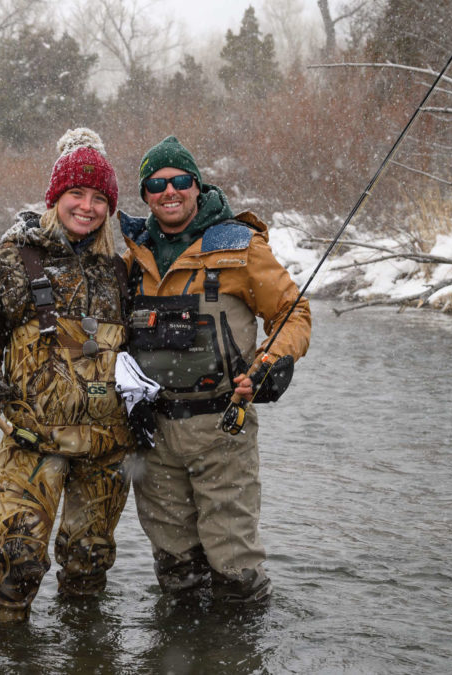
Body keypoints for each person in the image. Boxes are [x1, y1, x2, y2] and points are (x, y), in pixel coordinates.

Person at [0, 128, 134, 626]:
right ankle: (7, 654)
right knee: (19, 561)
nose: (87, 207)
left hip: (107, 448)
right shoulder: (12, 260)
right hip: (31, 442)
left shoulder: (122, 270)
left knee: (89, 565)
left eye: (99, 198)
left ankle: (86, 658)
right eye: (76, 193)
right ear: (55, 198)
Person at [119, 135, 312, 605]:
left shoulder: (241, 247)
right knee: (175, 570)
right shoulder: (130, 254)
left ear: (197, 186)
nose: (170, 192)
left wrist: (274, 361)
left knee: (235, 573)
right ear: (145, 195)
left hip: (223, 428)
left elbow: (293, 312)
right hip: (153, 435)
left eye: (180, 181)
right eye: (157, 184)